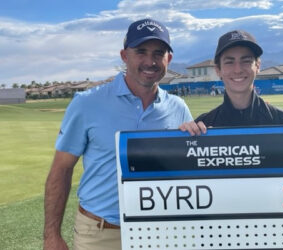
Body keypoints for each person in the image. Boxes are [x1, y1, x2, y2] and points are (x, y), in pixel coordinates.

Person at [43, 18, 193, 250]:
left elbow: (187, 168)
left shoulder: (178, 108)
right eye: (140, 52)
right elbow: (61, 169)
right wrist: (51, 236)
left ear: (168, 59)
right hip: (100, 233)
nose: (150, 61)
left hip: (159, 232)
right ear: (124, 56)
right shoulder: (87, 103)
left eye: (158, 53)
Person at [180, 30, 283, 135]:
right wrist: (183, 136)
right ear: (218, 70)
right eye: (229, 62)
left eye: (246, 61)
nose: (238, 69)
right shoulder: (203, 127)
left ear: (258, 66)